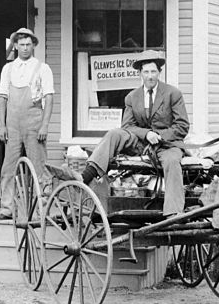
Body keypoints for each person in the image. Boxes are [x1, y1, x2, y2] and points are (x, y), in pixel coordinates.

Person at [80, 55, 190, 217]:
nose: (150, 76)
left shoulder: (173, 94)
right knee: (115, 133)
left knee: (172, 162)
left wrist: (158, 135)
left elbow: (182, 126)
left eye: (153, 71)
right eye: (146, 72)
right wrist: (147, 134)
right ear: (140, 73)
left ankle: (173, 213)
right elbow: (128, 126)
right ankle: (88, 173)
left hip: (167, 145)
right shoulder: (132, 97)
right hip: (141, 144)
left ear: (159, 72)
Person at [0, 28, 54, 221]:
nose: (25, 48)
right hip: (12, 123)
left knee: (39, 167)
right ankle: (7, 208)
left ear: (33, 45)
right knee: (9, 167)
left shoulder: (42, 68)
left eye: (29, 44)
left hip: (34, 122)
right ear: (16, 46)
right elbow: (2, 98)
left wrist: (44, 125)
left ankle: (40, 210)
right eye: (21, 45)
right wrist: (2, 125)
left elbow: (49, 98)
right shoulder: (8, 69)